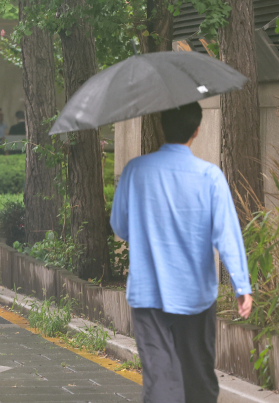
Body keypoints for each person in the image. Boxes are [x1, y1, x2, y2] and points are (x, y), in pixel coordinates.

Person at [110, 102, 253, 403]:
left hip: (148, 295)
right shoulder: (210, 176)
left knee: (161, 380)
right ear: (197, 130)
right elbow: (227, 234)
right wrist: (242, 286)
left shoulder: (135, 171)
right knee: (199, 377)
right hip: (196, 296)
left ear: (162, 126)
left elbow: (121, 227)